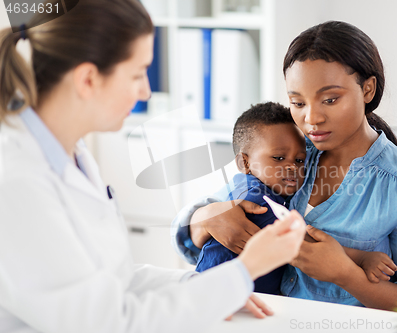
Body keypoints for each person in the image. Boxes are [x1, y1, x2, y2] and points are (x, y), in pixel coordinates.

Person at [0, 1, 307, 332]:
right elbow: (108, 322)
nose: (146, 90)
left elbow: (116, 279)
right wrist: (245, 270)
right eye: (137, 73)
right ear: (88, 79)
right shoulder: (17, 180)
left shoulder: (72, 154)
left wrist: (214, 290)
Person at [172, 21, 397, 319]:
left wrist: (348, 275)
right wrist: (206, 218)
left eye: (330, 99)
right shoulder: (287, 153)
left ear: (367, 89)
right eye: (297, 102)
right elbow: (188, 237)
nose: (312, 118)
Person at [195, 101, 397, 295]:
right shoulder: (255, 198)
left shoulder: (267, 190)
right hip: (221, 296)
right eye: (278, 158)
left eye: (300, 160)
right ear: (245, 163)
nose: (292, 167)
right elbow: (301, 241)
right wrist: (362, 257)